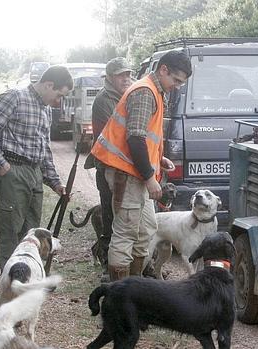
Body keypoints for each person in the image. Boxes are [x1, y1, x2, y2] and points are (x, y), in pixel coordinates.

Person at [90, 50, 192, 281]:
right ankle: (120, 293)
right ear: (163, 70)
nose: (176, 86)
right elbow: (135, 138)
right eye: (175, 80)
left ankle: (134, 286)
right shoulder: (145, 92)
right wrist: (149, 177)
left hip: (134, 173)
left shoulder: (155, 90)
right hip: (125, 175)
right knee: (125, 234)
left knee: (146, 230)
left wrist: (158, 160)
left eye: (181, 83)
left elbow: (145, 137)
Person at [0, 65, 74, 272]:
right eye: (59, 95)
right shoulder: (15, 97)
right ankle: (11, 283)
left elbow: (44, 150)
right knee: (11, 233)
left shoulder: (46, 109)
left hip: (35, 174)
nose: (59, 102)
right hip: (13, 172)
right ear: (48, 85)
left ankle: (28, 277)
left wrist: (55, 182)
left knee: (31, 233)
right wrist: (2, 166)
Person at [90, 57, 134, 281]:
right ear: (109, 77)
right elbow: (116, 133)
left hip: (124, 165)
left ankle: (125, 264)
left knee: (125, 216)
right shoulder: (103, 100)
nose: (125, 78)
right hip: (108, 165)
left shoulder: (130, 92)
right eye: (120, 75)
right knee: (110, 215)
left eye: (127, 74)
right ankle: (108, 264)